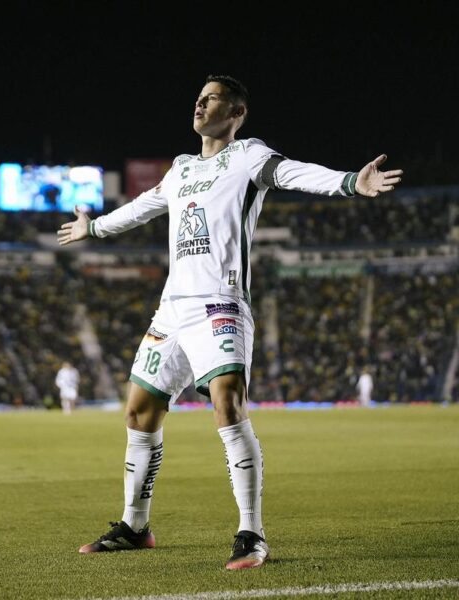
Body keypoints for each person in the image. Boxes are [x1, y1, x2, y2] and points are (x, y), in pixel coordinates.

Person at [57, 74, 402, 569]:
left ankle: (251, 534)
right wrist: (95, 227)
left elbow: (295, 173)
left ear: (237, 112)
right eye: (198, 97)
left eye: (211, 98)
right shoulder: (179, 171)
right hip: (172, 308)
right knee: (138, 412)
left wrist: (351, 182)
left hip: (220, 303)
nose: (199, 103)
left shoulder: (249, 158)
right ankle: (135, 525)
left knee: (227, 405)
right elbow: (141, 209)